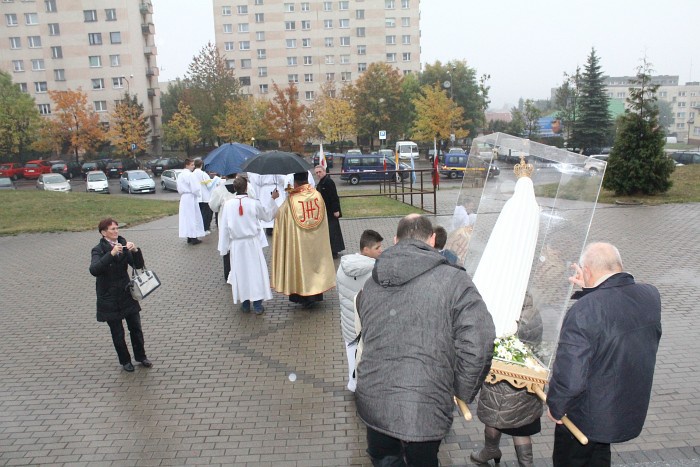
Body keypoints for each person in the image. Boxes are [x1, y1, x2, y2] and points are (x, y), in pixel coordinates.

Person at [355, 214, 496, 466]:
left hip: (375, 402)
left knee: (385, 460)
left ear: (396, 240)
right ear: (432, 239)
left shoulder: (372, 282)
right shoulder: (455, 280)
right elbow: (480, 341)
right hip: (425, 407)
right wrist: (461, 389)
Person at [547, 242, 662, 467]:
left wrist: (556, 406)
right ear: (618, 265)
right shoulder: (650, 295)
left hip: (583, 418)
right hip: (620, 409)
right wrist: (590, 291)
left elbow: (571, 377)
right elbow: (614, 308)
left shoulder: (585, 309)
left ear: (587, 271)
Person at [471, 293, 543, 467]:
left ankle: (490, 450)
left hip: (500, 379)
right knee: (521, 427)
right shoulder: (533, 313)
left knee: (494, 418)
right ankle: (525, 463)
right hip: (526, 380)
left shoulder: (506, 317)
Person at [89, 218, 152, 372]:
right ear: (104, 233)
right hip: (109, 297)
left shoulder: (123, 245)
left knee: (135, 327)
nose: (116, 231)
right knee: (118, 332)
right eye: (112, 229)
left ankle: (141, 356)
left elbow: (137, 265)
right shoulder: (98, 249)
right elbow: (94, 270)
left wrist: (135, 250)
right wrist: (111, 254)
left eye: (117, 228)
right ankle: (125, 361)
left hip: (126, 294)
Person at [271, 172, 336, 309]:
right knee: (315, 264)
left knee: (301, 266)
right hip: (316, 240)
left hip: (299, 242)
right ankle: (316, 294)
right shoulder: (317, 195)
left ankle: (303, 297)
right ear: (307, 180)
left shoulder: (291, 201)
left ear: (295, 183)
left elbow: (280, 216)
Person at [217, 177, 279, 315]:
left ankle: (245, 303)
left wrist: (223, 247)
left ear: (235, 188)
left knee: (241, 273)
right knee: (255, 272)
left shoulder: (228, 204)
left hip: (237, 245)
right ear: (246, 188)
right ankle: (257, 305)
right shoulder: (253, 203)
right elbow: (268, 216)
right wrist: (272, 199)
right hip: (251, 243)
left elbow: (224, 227)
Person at [336, 229, 383, 392]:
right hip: (367, 324)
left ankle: (353, 384)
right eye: (377, 248)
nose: (381, 251)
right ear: (366, 250)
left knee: (352, 356)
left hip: (348, 323)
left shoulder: (342, 267)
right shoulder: (375, 271)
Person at [315, 165, 345, 258]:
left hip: (331, 211)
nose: (318, 174)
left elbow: (334, 197)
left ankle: (334, 251)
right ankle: (331, 250)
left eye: (320, 172)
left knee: (333, 231)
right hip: (325, 211)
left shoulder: (329, 182)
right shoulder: (321, 183)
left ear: (324, 171)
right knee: (330, 231)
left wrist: (336, 210)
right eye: (316, 173)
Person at [177, 158, 205, 245]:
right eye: (192, 165)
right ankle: (193, 237)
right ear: (187, 165)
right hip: (190, 197)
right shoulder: (190, 175)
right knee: (193, 217)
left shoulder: (180, 175)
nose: (193, 167)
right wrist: (198, 194)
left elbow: (179, 187)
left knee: (186, 217)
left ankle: (189, 236)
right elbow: (195, 187)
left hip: (184, 197)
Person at [192, 159, 213, 234]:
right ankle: (205, 229)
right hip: (205, 197)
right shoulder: (204, 174)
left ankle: (198, 229)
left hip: (196, 197)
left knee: (198, 214)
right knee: (205, 214)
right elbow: (209, 185)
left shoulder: (192, 174)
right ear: (201, 165)